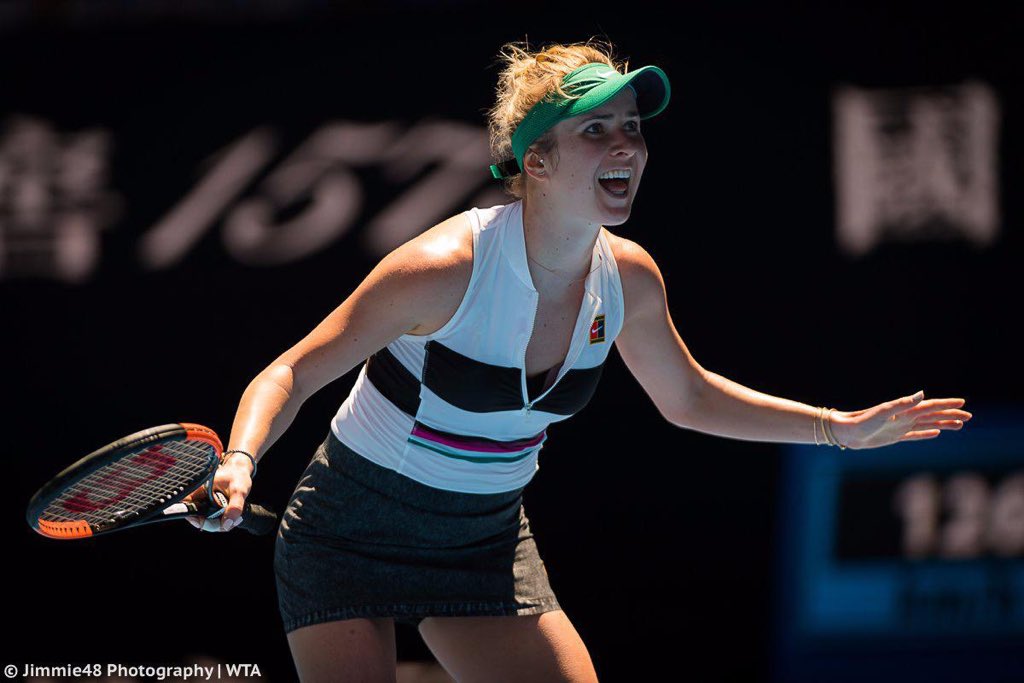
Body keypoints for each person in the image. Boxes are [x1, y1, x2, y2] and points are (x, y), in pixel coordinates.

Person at [186, 39, 972, 682]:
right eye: (595, 130)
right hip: (347, 531)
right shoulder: (441, 269)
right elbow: (290, 372)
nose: (626, 143)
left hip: (484, 540)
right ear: (537, 161)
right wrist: (242, 460)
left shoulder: (629, 278)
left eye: (632, 126)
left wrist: (839, 429)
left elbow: (689, 398)